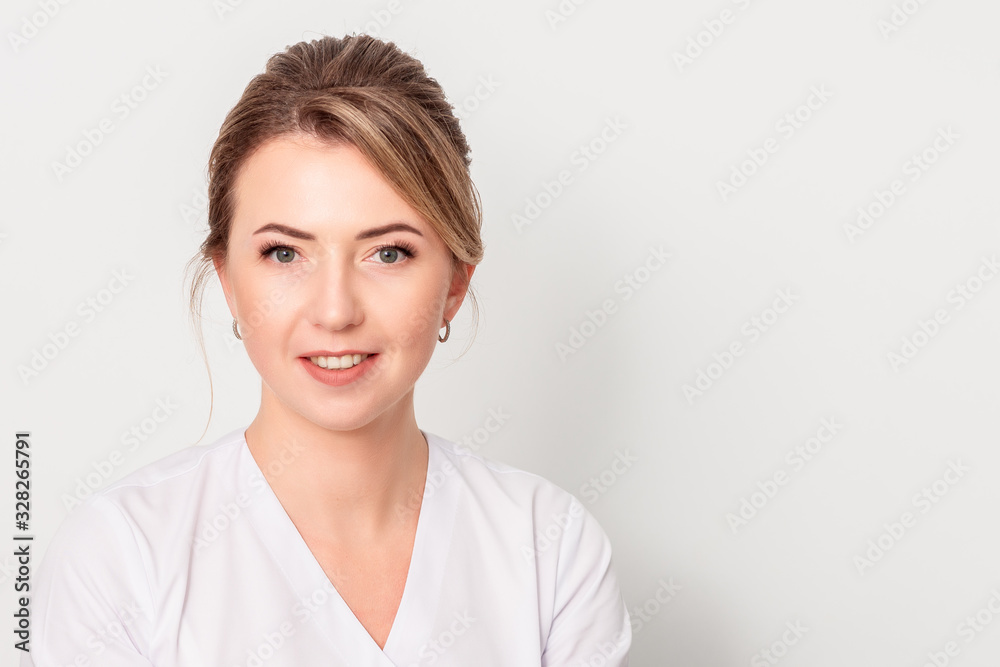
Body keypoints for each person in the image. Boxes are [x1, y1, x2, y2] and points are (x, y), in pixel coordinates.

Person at [22, 34, 631, 666]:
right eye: (284, 253)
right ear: (228, 281)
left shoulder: (549, 546)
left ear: (454, 283)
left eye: (388, 253)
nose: (335, 311)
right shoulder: (121, 557)